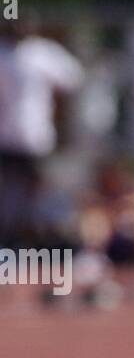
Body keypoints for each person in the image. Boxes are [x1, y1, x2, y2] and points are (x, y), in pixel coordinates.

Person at [0, 21, 84, 246]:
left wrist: (60, 114)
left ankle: (34, 240)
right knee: (11, 191)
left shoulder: (41, 53)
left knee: (38, 190)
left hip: (34, 137)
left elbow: (72, 80)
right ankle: (11, 240)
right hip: (6, 137)